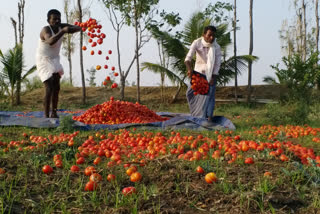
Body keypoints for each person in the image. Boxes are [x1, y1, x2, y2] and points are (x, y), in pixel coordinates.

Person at [36, 9, 81, 118]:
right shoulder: (46, 30)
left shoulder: (62, 26)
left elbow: (74, 28)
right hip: (44, 59)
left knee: (56, 86)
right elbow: (50, 41)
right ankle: (46, 115)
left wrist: (83, 26)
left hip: (55, 59)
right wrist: (63, 31)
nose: (57, 21)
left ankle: (54, 112)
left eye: (58, 19)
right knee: (49, 86)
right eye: (54, 19)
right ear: (48, 20)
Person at [185, 25, 222, 123]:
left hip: (210, 75)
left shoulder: (216, 47)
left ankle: (209, 118)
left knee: (210, 97)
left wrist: (213, 77)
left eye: (213, 35)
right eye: (209, 35)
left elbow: (217, 64)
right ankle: (196, 114)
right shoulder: (197, 43)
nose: (212, 38)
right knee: (190, 94)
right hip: (197, 74)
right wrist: (189, 70)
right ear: (204, 35)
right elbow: (188, 59)